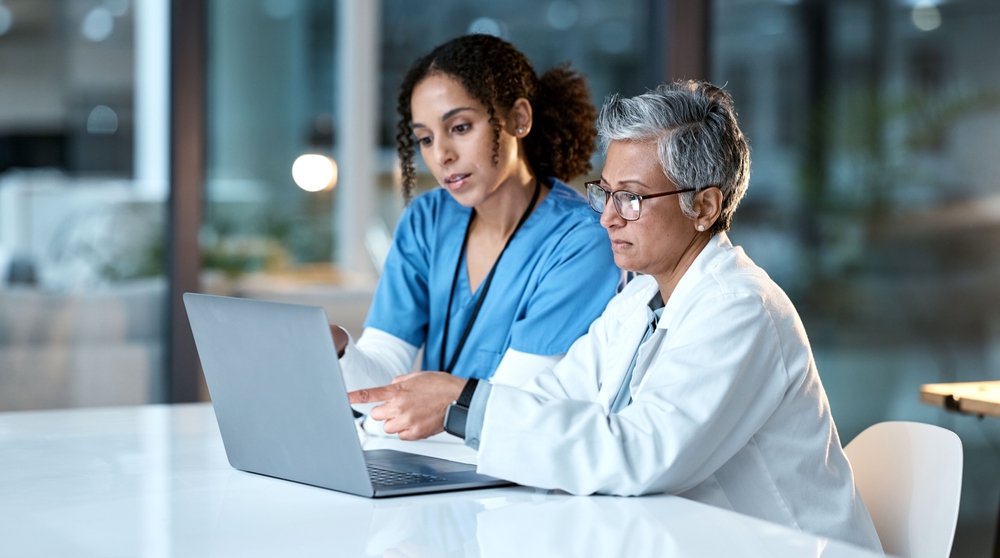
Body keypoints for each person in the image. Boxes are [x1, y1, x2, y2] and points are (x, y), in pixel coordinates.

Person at [348, 81, 883, 551]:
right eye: (605, 192)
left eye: (631, 199)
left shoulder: (739, 308)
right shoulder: (639, 300)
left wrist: (461, 405)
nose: (606, 216)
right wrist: (446, 406)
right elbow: (555, 398)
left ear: (704, 206)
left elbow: (643, 453)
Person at [331, 34, 621, 402]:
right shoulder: (428, 220)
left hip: (509, 454)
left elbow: (515, 403)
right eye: (425, 139)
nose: (442, 156)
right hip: (423, 450)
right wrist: (340, 349)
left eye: (460, 127)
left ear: (518, 119)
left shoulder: (582, 241)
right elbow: (381, 375)